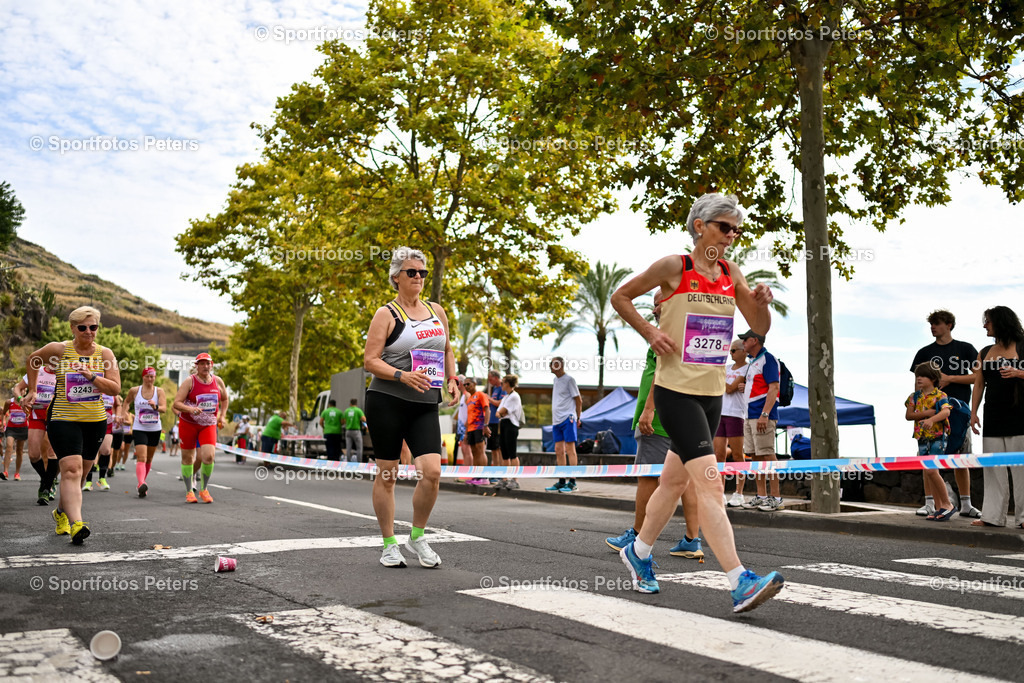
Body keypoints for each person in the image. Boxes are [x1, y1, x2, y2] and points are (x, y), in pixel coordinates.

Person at [609, 192, 784, 611]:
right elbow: (621, 296)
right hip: (675, 392)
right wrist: (651, 334)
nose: (731, 236)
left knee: (673, 484)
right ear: (700, 225)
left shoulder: (730, 272)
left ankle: (640, 552)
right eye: (725, 227)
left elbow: (758, 328)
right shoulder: (675, 267)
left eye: (736, 230)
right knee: (710, 483)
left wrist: (762, 306)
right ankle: (739, 579)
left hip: (712, 395)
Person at [363, 246, 459, 568]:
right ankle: (389, 543)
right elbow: (370, 361)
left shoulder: (436, 311)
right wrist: (402, 375)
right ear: (396, 277)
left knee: (432, 472)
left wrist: (453, 378)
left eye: (422, 272)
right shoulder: (386, 314)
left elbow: (446, 350)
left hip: (425, 402)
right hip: (387, 401)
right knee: (388, 474)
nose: (418, 277)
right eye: (411, 272)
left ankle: (417, 536)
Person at [606, 290, 703, 559]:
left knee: (648, 475)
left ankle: (637, 534)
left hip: (659, 419)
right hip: (684, 416)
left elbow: (663, 373)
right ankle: (691, 540)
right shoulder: (689, 330)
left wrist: (649, 410)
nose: (653, 309)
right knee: (686, 481)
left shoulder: (667, 332)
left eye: (657, 303)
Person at [24, 306, 121, 544]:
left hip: (95, 420)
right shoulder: (59, 349)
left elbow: (115, 388)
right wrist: (33, 390)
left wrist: (90, 375)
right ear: (73, 328)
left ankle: (61, 512)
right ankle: (78, 524)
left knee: (80, 475)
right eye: (83, 327)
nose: (88, 332)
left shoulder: (105, 355)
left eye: (93, 327)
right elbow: (33, 359)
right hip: (62, 418)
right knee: (71, 470)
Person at [910, 310, 981, 517]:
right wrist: (918, 411)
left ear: (949, 325)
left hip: (959, 413)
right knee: (927, 457)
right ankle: (929, 503)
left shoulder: (965, 349)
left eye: (937, 323)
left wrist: (950, 379)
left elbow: (979, 377)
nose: (933, 327)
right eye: (931, 324)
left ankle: (966, 504)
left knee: (962, 457)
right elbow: (917, 384)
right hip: (930, 414)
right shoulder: (924, 353)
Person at [970, 306, 1024, 528]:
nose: (985, 325)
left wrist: (1019, 372)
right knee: (992, 469)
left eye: (988, 321)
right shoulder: (984, 351)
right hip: (992, 416)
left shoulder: (1023, 345)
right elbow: (979, 383)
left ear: (1001, 322)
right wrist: (973, 412)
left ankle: (1023, 519)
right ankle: (992, 517)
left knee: (1021, 469)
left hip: (1020, 416)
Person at [172, 353, 229, 504]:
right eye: (201, 363)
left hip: (208, 424)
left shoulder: (217, 381)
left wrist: (222, 416)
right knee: (188, 458)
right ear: (196, 366)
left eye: (207, 363)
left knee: (209, 457)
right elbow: (176, 403)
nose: (205, 366)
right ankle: (189, 491)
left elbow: (225, 398)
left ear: (212, 364)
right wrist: (190, 410)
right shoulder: (189, 381)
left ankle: (204, 489)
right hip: (188, 424)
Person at [738, 329, 783, 512]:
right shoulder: (753, 362)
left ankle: (776, 498)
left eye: (745, 340)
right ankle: (762, 495)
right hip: (750, 415)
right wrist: (744, 386)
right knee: (754, 455)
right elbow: (760, 386)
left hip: (761, 415)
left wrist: (765, 414)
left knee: (767, 454)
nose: (742, 343)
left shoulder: (768, 359)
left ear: (755, 341)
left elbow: (774, 388)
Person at [905, 363, 956, 520]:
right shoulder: (914, 397)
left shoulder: (940, 396)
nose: (919, 378)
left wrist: (932, 419)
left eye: (923, 375)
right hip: (922, 438)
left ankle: (947, 504)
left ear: (933, 378)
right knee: (930, 472)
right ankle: (940, 507)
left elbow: (946, 411)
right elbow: (908, 415)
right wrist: (927, 413)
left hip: (938, 437)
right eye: (917, 376)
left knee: (932, 470)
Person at [16, 365, 59, 503]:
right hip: (37, 414)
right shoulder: (37, 372)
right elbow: (17, 388)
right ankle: (48, 479)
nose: (55, 362)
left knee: (53, 453)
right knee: (34, 455)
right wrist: (20, 399)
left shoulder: (64, 373)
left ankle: (45, 490)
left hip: (56, 415)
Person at [122, 367, 167, 498]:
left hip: (155, 428)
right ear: (143, 377)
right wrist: (123, 414)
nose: (150, 379)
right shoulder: (135, 390)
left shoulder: (159, 391)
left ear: (155, 378)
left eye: (152, 376)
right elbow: (126, 402)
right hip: (139, 427)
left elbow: (164, 408)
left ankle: (142, 484)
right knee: (141, 457)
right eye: (147, 376)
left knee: (149, 459)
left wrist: (155, 406)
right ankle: (141, 483)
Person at [718, 340, 748, 507]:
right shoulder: (727, 368)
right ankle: (720, 492)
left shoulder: (746, 369)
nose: (731, 353)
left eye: (734, 350)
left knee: (738, 455)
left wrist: (718, 377)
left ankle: (739, 493)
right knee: (718, 455)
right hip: (720, 413)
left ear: (743, 351)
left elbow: (729, 388)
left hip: (736, 414)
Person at [546, 357, 582, 493]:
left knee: (570, 449)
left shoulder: (569, 380)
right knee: (558, 450)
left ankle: (572, 482)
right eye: (550, 363)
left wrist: (578, 417)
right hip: (556, 421)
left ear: (560, 365)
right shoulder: (555, 380)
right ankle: (562, 481)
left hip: (568, 418)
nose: (551, 366)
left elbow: (578, 400)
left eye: (554, 364)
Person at [84, 393, 120, 491]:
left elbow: (118, 405)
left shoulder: (110, 390)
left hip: (107, 424)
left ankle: (102, 478)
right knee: (91, 451)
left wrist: (117, 416)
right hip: (92, 422)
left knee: (106, 450)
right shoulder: (92, 386)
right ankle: (88, 481)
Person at [495, 374, 524, 490]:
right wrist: (500, 413)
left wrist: (500, 413)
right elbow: (498, 412)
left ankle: (515, 479)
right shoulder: (506, 397)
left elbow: (502, 412)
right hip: (503, 424)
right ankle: (504, 478)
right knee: (504, 454)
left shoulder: (514, 396)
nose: (501, 384)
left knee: (512, 453)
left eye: (503, 382)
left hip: (511, 425)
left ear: (508, 383)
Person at [461, 377, 491, 486]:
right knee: (474, 452)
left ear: (474, 384)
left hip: (479, 427)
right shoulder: (469, 399)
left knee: (480, 451)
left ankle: (484, 477)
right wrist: (465, 433)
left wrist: (486, 425)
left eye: (468, 384)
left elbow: (487, 410)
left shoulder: (480, 395)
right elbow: (469, 416)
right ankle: (476, 476)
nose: (466, 386)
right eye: (464, 385)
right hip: (471, 429)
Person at [486, 370, 507, 483]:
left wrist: (489, 399)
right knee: (494, 448)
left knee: (498, 448)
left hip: (498, 421)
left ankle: (499, 472)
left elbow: (500, 403)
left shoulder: (502, 388)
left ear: (495, 377)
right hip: (492, 421)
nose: (489, 381)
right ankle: (495, 471)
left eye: (490, 379)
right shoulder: (494, 389)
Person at [2, 396, 29, 481]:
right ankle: (5, 472)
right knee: (9, 446)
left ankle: (17, 473)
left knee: (19, 450)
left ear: (24, 392)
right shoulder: (9, 402)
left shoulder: (27, 402)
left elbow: (30, 413)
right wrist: (3, 421)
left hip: (22, 428)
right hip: (11, 428)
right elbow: (3, 413)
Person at [343, 398, 367, 463]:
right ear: (356, 403)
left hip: (348, 431)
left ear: (350, 403)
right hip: (356, 431)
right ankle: (359, 462)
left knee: (348, 448)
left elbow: (344, 421)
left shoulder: (346, 411)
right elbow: (364, 419)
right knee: (359, 448)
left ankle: (348, 461)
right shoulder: (358, 410)